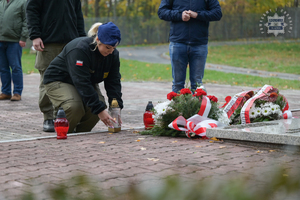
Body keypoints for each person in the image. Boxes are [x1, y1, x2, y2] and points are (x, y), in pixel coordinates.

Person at [43, 22, 123, 133]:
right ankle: (64, 132)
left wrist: (116, 107)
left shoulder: (112, 55)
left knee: (97, 107)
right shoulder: (80, 49)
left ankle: (81, 134)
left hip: (84, 81)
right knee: (74, 107)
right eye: (108, 47)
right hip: (59, 80)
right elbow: (81, 82)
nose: (110, 51)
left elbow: (113, 81)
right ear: (98, 40)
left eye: (114, 48)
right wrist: (99, 110)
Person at [26, 0, 86, 132]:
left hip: (71, 42)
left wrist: (82, 39)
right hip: (48, 43)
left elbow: (78, 14)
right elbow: (31, 10)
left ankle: (64, 115)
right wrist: (35, 35)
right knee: (47, 79)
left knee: (70, 79)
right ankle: (48, 117)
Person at [158, 0, 222, 93]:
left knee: (197, 84)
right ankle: (177, 107)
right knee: (177, 84)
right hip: (178, 43)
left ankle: (197, 107)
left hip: (199, 43)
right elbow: (162, 12)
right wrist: (180, 15)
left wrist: (197, 15)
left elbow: (217, 13)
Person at [0, 0, 28, 101]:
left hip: (15, 41)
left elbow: (26, 20)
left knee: (16, 67)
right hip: (1, 40)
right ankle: (6, 92)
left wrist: (23, 37)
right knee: (3, 68)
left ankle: (17, 92)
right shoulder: (1, 2)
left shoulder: (22, 2)